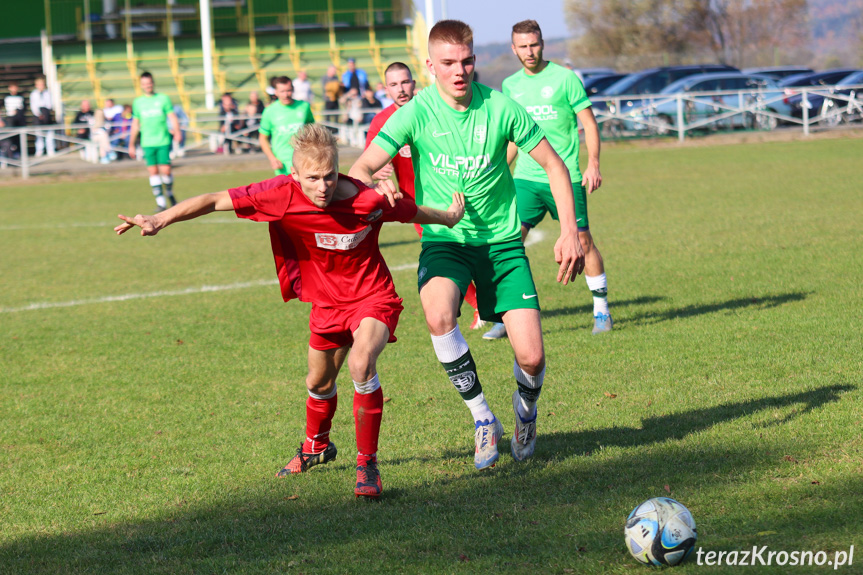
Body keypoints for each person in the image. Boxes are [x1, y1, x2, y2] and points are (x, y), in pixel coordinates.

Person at [114, 123, 466, 498]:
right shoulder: (279, 194)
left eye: (329, 176)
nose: (323, 186)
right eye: (312, 178)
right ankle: (316, 446)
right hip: (327, 305)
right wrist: (159, 219)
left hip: (372, 298)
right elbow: (215, 199)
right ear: (294, 175)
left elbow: (410, 212)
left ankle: (367, 465)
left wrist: (447, 217)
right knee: (318, 384)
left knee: (361, 365)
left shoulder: (368, 201)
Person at [350, 20, 585, 470]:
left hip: (501, 243)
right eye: (449, 63)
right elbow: (362, 167)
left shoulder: (501, 106)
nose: (460, 71)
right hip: (445, 240)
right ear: (430, 66)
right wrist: (379, 180)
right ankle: (482, 418)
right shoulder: (416, 111)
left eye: (467, 61)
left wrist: (570, 231)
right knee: (439, 315)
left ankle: (525, 414)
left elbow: (555, 166)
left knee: (532, 358)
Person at [496, 19, 610, 338]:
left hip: (567, 177)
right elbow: (512, 140)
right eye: (523, 46)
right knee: (508, 241)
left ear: (542, 43)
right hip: (526, 179)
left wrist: (594, 164)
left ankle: (601, 310)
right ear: (513, 49)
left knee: (583, 241)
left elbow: (589, 122)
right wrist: (498, 172)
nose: (529, 51)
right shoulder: (510, 86)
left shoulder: (565, 78)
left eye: (534, 44)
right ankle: (507, 314)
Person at [364, 62, 484, 329]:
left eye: (405, 82)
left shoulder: (431, 110)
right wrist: (378, 172)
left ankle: (486, 304)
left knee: (474, 249)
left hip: (456, 193)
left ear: (414, 83)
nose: (401, 89)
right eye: (394, 85)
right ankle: (478, 306)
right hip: (419, 206)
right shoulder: (381, 122)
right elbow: (367, 164)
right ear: (386, 89)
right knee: (446, 256)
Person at [129, 71, 181, 211]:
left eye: (149, 83)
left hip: (162, 140)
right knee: (153, 172)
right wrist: (131, 144)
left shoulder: (163, 99)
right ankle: (161, 203)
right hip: (147, 142)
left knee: (166, 170)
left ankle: (169, 193)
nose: (148, 86)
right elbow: (135, 124)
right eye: (145, 84)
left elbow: (172, 116)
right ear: (141, 85)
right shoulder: (138, 102)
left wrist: (177, 131)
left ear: (153, 83)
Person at [259, 76, 315, 176]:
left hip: (304, 160)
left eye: (288, 90)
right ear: (276, 92)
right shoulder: (269, 111)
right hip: (282, 164)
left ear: (293, 89)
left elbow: (313, 130)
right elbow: (263, 138)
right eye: (282, 91)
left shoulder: (304, 107)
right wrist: (272, 158)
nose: (286, 95)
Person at [29, 77, 55, 157]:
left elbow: (50, 104)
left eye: (42, 84)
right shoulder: (34, 94)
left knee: (49, 134)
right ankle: (39, 150)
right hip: (38, 115)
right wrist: (39, 114)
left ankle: (50, 150)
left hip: (46, 113)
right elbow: (33, 106)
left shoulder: (48, 93)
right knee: (39, 134)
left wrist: (46, 113)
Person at [3, 82, 26, 158]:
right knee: (11, 137)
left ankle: (19, 152)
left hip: (19, 119)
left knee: (19, 137)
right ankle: (12, 153)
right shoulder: (6, 98)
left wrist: (18, 111)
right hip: (11, 120)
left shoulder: (21, 97)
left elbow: (23, 108)